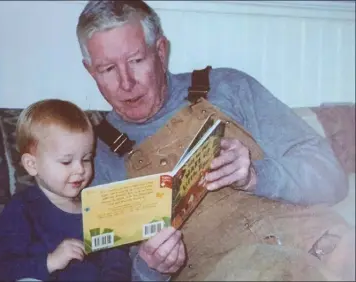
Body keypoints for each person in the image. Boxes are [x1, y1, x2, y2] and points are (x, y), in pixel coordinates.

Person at [76, 1, 350, 281]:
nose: (126, 83)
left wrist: (259, 175)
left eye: (136, 61)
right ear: (90, 71)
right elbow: (107, 271)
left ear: (160, 51)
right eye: (108, 69)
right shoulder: (90, 158)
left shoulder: (228, 87)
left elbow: (333, 178)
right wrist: (150, 269)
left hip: (330, 247)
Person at [0, 99, 132, 281]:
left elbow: (116, 261)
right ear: (32, 165)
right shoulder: (23, 209)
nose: (80, 169)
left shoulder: (97, 208)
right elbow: (3, 269)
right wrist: (50, 261)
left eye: (86, 159)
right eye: (66, 161)